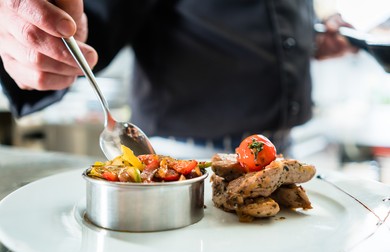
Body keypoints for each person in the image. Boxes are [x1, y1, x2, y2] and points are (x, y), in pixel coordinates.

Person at [0, 0, 356, 157]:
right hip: (183, 155)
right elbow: (84, 24)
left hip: (280, 151)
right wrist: (28, 36)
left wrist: (310, 38)